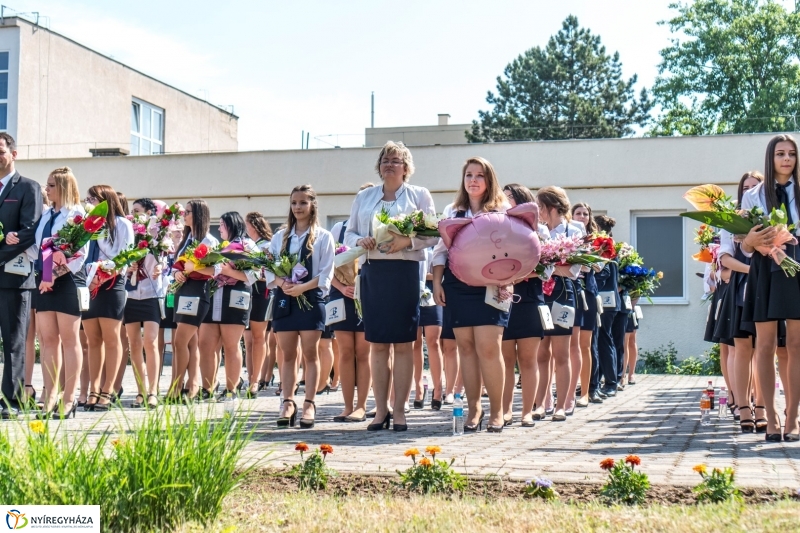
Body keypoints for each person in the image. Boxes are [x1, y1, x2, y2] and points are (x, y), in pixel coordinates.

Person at [345, 141, 435, 432]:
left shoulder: (419, 195)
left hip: (405, 272)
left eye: (396, 160)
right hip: (374, 272)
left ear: (406, 168)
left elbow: (433, 234)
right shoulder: (364, 197)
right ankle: (380, 410)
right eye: (385, 159)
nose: (389, 164)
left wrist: (406, 241)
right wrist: (361, 241)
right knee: (378, 344)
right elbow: (348, 233)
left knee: (405, 344)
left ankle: (400, 410)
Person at [432, 157, 510, 433]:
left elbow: (514, 246)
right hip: (457, 285)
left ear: (489, 180)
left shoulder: (502, 209)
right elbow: (440, 251)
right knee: (465, 347)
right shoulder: (453, 210)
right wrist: (438, 282)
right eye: (468, 175)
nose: (473, 180)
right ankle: (474, 407)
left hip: (493, 284)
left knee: (489, 348)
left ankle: (498, 411)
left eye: (479, 175)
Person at [741, 134, 800, 442]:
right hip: (765, 270)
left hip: (797, 267)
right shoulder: (754, 196)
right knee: (763, 346)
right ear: (771, 157)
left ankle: (793, 417)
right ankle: (771, 417)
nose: (786, 159)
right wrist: (751, 242)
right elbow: (745, 245)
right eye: (780, 153)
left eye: (791, 153)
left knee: (795, 345)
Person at [268, 185, 335, 429]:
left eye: (303, 203)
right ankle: (287, 402)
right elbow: (269, 268)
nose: (297, 207)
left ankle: (309, 402)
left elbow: (326, 273)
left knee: (310, 353)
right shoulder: (280, 236)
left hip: (311, 299)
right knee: (287, 355)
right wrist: (281, 282)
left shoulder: (324, 237)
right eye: (294, 202)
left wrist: (302, 288)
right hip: (285, 299)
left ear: (312, 205)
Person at [714, 172, 762, 431]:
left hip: (770, 287)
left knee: (768, 349)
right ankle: (741, 403)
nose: (751, 192)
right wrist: (753, 270)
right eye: (746, 188)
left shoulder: (772, 217)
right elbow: (725, 260)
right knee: (740, 347)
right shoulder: (730, 222)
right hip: (742, 288)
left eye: (756, 187)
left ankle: (763, 404)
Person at [0, 133, 42, 419]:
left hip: (14, 280)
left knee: (14, 341)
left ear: (13, 154)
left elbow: (29, 232)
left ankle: (10, 402)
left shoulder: (28, 188)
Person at [533, 186, 583, 422]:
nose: (538, 211)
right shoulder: (539, 231)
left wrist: (548, 266)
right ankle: (542, 403)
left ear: (550, 207)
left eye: (540, 206)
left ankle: (562, 405)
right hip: (541, 295)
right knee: (542, 352)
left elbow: (573, 271)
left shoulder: (575, 230)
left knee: (561, 353)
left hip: (564, 295)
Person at [82, 185, 134, 411]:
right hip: (90, 283)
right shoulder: (88, 225)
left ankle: (108, 389)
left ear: (105, 200)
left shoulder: (123, 224)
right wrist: (90, 277)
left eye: (92, 198)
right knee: (92, 339)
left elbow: (126, 256)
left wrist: (102, 276)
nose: (89, 202)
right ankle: (93, 389)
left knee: (111, 338)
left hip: (112, 283)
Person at [198, 211, 257, 402]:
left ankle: (232, 388)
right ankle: (208, 387)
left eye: (222, 224)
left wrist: (228, 271)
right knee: (206, 344)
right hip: (214, 296)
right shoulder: (217, 246)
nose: (219, 228)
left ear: (232, 225)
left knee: (231, 345)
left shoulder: (247, 246)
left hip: (235, 298)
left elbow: (253, 276)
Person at [500, 183, 545, 427]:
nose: (506, 202)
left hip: (529, 299)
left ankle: (527, 411)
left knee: (528, 360)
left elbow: (546, 268)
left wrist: (520, 275)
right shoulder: (496, 228)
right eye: (503, 198)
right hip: (504, 299)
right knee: (505, 361)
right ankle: (505, 410)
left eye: (510, 197)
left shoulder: (539, 230)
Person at [168, 199, 218, 402]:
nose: (184, 215)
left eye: (187, 212)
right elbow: (176, 266)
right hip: (182, 290)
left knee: (180, 341)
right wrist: (176, 275)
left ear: (198, 214)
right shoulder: (187, 239)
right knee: (188, 342)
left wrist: (194, 268)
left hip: (197, 292)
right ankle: (191, 386)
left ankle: (177, 388)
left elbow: (215, 270)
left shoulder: (209, 241)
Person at [330, 200, 371, 422]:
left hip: (368, 295)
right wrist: (341, 287)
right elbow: (329, 263)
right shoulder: (340, 228)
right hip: (342, 294)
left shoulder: (380, 230)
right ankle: (346, 405)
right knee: (345, 351)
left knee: (364, 353)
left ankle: (361, 406)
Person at [124, 198, 164, 408]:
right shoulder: (129, 234)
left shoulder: (158, 235)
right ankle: (140, 390)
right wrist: (126, 268)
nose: (134, 215)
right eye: (132, 211)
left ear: (149, 213)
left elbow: (167, 259)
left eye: (138, 211)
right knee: (134, 344)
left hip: (150, 293)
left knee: (150, 341)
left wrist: (160, 267)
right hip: (131, 295)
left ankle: (153, 391)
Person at [570, 202, 600, 407]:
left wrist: (589, 260)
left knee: (585, 344)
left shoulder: (596, 241)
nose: (581, 216)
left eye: (585, 214)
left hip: (587, 292)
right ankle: (568, 391)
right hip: (568, 291)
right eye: (578, 213)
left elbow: (600, 267)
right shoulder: (565, 235)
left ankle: (586, 391)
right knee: (567, 345)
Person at [591, 214, 621, 403]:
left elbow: (604, 273)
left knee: (604, 339)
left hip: (605, 300)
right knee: (604, 339)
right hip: (609, 300)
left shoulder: (605, 248)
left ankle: (611, 382)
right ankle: (606, 379)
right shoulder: (609, 246)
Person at [243, 211, 273, 397]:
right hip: (247, 291)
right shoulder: (246, 246)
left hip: (262, 292)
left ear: (253, 226)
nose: (246, 230)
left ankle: (257, 380)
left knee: (259, 337)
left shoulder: (267, 246)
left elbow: (271, 271)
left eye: (247, 226)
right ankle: (250, 377)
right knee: (248, 339)